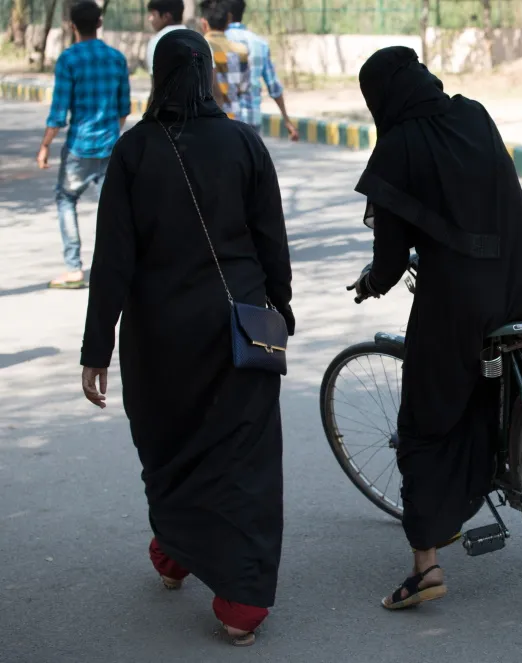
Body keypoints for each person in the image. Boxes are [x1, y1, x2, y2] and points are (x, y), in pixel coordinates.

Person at [79, 29, 294, 646]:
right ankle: (243, 604)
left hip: (160, 337)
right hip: (240, 326)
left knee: (170, 447)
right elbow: (270, 239)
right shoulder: (244, 143)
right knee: (244, 460)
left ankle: (174, 555)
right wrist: (281, 306)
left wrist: (98, 349)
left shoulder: (133, 152)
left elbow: (112, 260)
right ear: (206, 74)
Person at [348, 46, 522, 610]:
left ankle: (426, 566)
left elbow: (390, 256)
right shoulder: (473, 113)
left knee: (425, 423)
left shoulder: (397, 149)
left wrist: (372, 285)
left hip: (461, 302)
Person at [37, 0, 130, 289]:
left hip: (79, 146)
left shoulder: (69, 59)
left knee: (66, 199)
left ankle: (75, 268)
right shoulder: (116, 58)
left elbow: (58, 112)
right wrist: (111, 134)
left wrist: (45, 146)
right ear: (99, 24)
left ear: (72, 25)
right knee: (113, 207)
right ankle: (117, 265)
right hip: (109, 147)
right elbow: (124, 108)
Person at [226, 0, 299, 140]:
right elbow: (274, 87)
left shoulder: (217, 42)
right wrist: (287, 120)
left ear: (226, 14)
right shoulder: (259, 43)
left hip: (226, 119)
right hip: (252, 120)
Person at [199, 0, 250, 119]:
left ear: (204, 23)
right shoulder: (241, 50)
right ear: (229, 20)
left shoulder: (199, 49)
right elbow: (244, 87)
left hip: (208, 121)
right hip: (235, 120)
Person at [145, 0, 186, 78]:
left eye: (153, 14)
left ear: (166, 17)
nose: (150, 19)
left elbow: (156, 86)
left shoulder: (157, 42)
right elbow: (213, 86)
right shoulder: (201, 41)